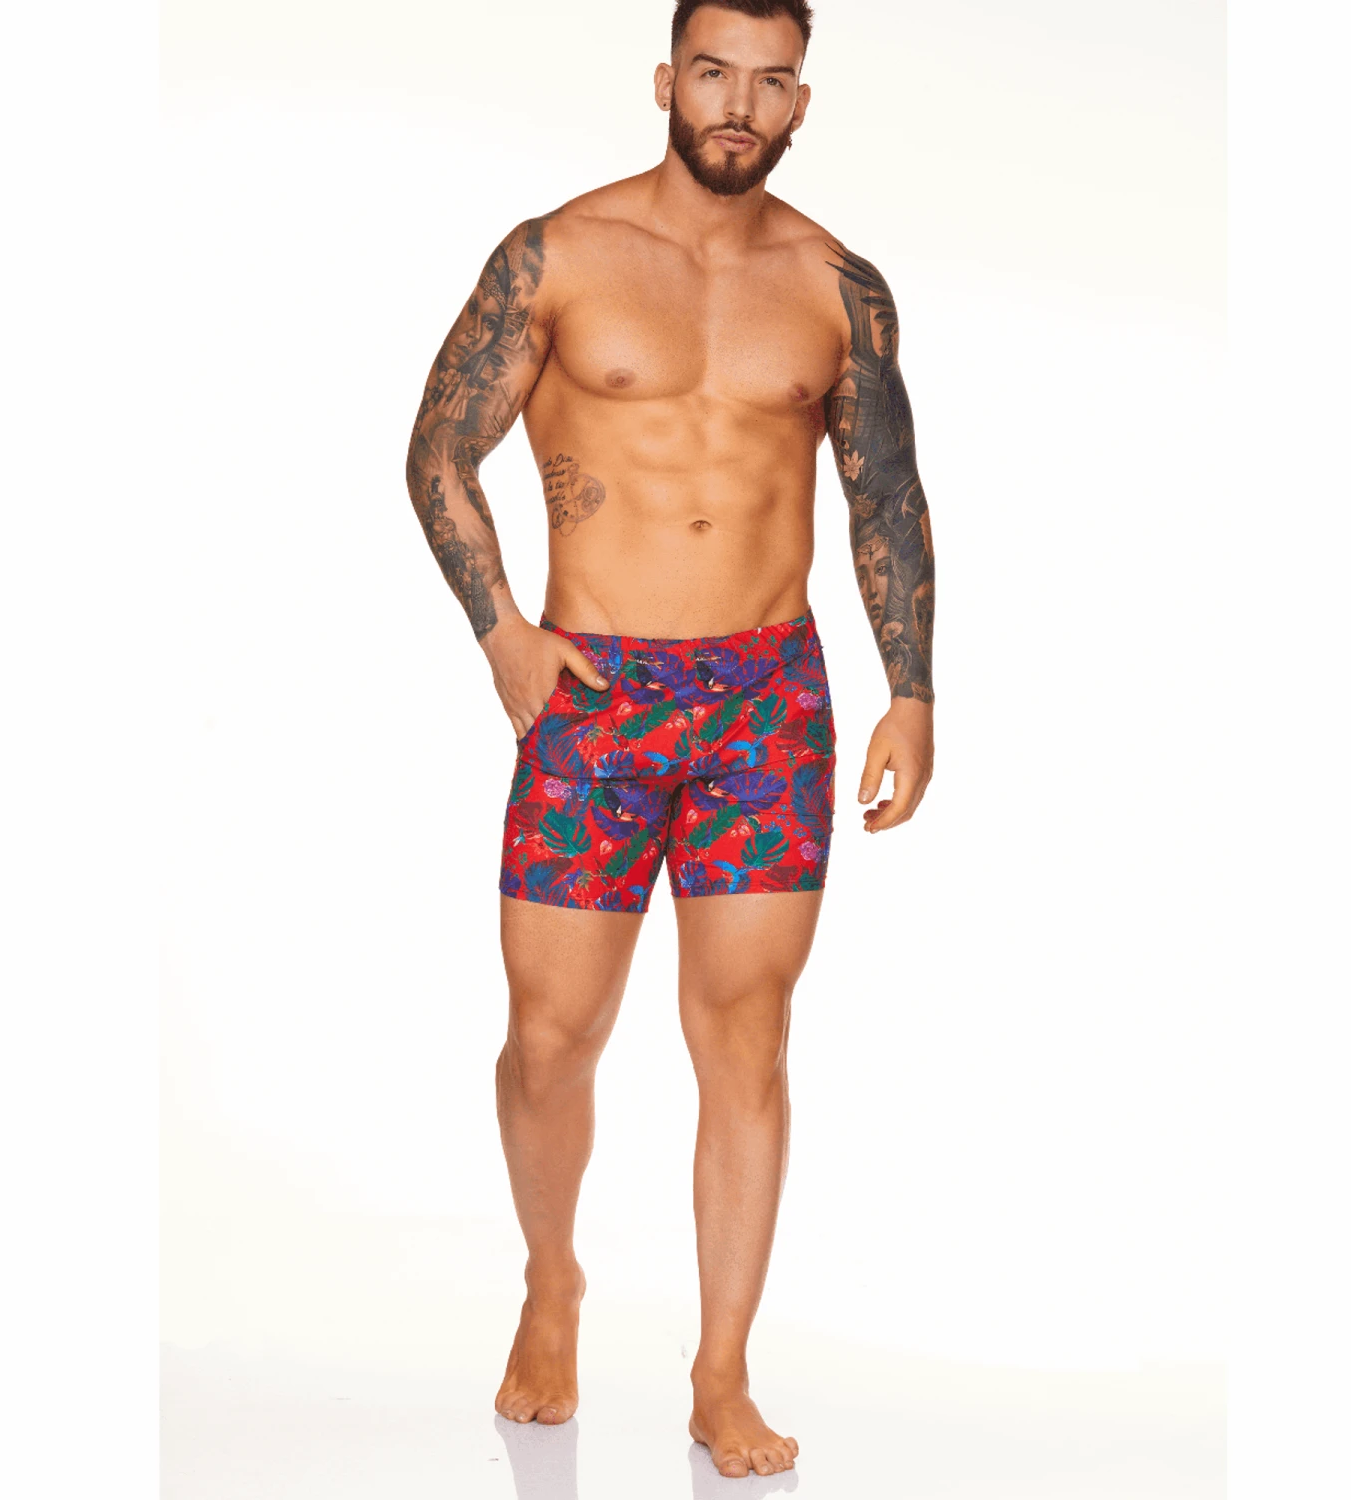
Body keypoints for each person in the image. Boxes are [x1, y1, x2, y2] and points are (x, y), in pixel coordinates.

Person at [405, 0, 935, 1479]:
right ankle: (551, 1282)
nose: (738, 104)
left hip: (769, 699)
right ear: (666, 81)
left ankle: (720, 1374)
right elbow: (439, 445)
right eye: (714, 72)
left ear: (801, 102)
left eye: (770, 81)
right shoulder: (558, 256)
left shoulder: (837, 286)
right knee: (550, 1039)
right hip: (593, 697)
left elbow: (886, 492)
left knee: (746, 1036)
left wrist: (909, 688)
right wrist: (504, 633)